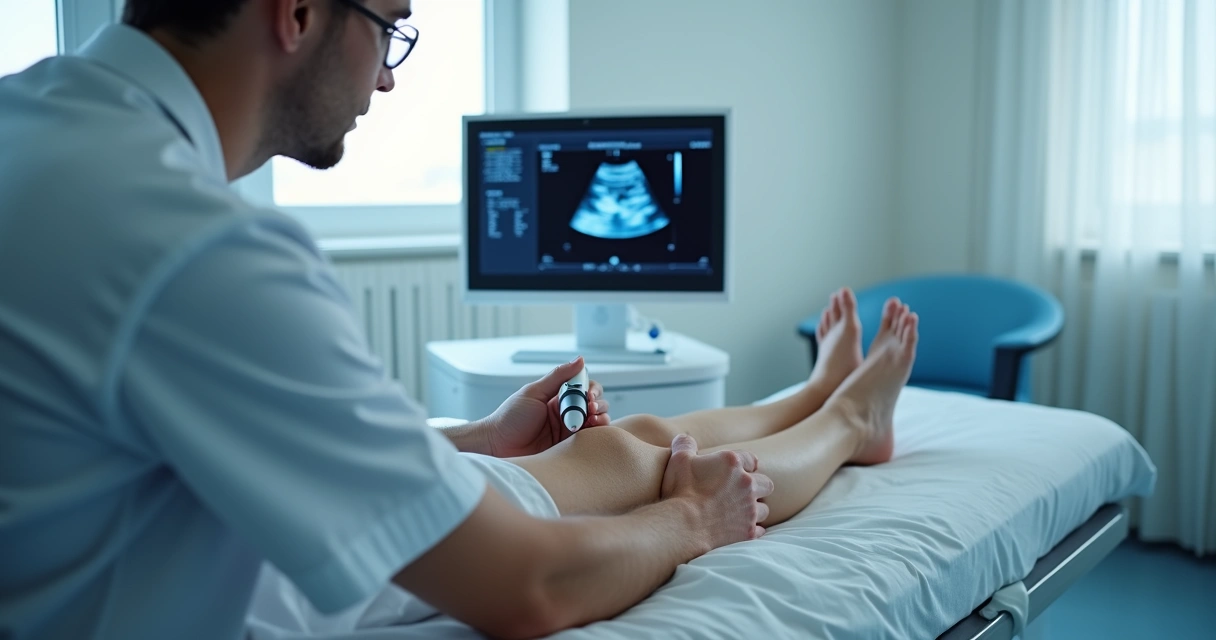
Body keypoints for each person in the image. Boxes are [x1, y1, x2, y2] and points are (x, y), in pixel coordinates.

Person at [0, 0, 918, 638]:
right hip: (285, 585)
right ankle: (842, 418)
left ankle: (817, 391)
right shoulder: (199, 252)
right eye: (391, 29)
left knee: (630, 440)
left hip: (233, 545)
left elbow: (145, 447)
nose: (390, 81)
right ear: (298, 13)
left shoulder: (30, 125)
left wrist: (471, 436)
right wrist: (693, 522)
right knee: (643, 455)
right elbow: (529, 587)